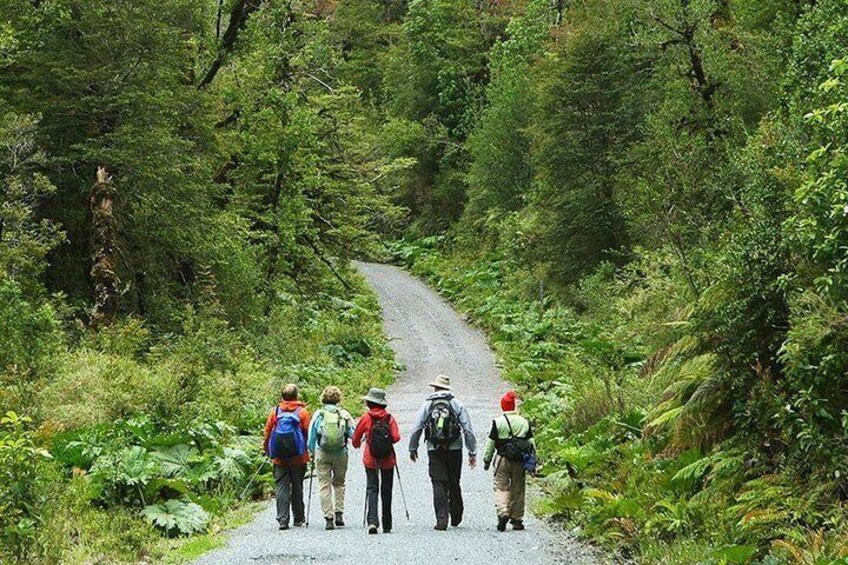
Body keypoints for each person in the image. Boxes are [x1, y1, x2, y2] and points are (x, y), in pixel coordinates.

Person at [408, 374, 477, 531]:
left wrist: (413, 448)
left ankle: (441, 520)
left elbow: (417, 427)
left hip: (434, 448)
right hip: (454, 447)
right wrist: (472, 451)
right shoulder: (457, 404)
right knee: (454, 480)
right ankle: (456, 516)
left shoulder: (427, 405)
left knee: (438, 481)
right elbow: (467, 429)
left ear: (435, 387)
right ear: (447, 388)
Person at [482, 390, 536, 532]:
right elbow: (531, 443)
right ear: (514, 406)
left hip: (502, 458)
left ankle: (503, 511)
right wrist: (532, 463)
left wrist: (487, 460)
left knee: (501, 486)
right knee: (518, 488)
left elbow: (491, 443)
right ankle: (517, 519)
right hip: (519, 460)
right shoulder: (524, 422)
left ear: (503, 406)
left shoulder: (498, 422)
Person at [352, 387, 401, 535]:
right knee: (387, 490)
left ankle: (372, 522)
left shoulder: (366, 418)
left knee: (372, 488)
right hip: (388, 459)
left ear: (369, 403)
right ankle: (387, 524)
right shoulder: (389, 418)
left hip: (370, 459)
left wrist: (358, 444)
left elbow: (355, 438)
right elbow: (396, 437)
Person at [263, 383, 311, 530]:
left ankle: (283, 519)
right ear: (296, 396)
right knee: (297, 485)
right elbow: (307, 433)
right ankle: (298, 518)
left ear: (283, 397)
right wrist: (308, 452)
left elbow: (268, 432)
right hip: (298, 457)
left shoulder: (275, 412)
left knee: (281, 486)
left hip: (279, 457)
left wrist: (267, 449)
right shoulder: (302, 412)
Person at [307, 385, 355, 530]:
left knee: (324, 485)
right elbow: (353, 434)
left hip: (323, 452)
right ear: (338, 399)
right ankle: (339, 513)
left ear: (323, 398)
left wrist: (312, 452)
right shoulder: (344, 414)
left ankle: (328, 518)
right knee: (339, 483)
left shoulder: (318, 415)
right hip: (340, 453)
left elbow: (311, 437)